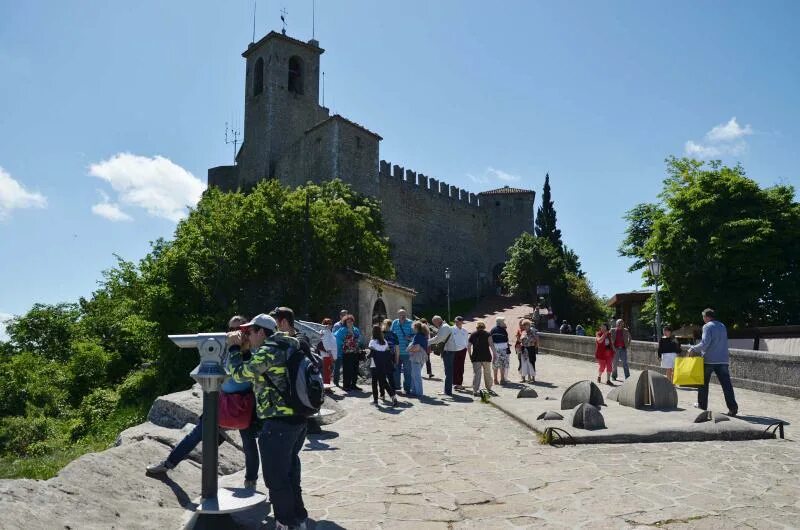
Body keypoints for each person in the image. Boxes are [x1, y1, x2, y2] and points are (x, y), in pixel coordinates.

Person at [146, 315, 261, 491]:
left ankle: (251, 480)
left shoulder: (252, 353)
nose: (236, 333)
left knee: (249, 444)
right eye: (231, 330)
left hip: (243, 405)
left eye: (241, 329)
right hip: (221, 402)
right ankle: (168, 464)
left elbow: (239, 373)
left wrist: (238, 348)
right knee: (195, 434)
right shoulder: (223, 349)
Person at [226, 308, 309, 530]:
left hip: (278, 423)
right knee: (290, 473)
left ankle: (285, 523)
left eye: (250, 332)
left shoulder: (269, 350)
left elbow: (239, 374)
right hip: (297, 420)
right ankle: (299, 518)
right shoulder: (288, 344)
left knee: (276, 478)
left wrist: (234, 347)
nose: (247, 336)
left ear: (262, 332)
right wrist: (246, 349)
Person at [687, 308, 739, 416]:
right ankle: (733, 408)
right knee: (726, 385)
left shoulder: (707, 326)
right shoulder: (722, 326)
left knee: (703, 384)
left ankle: (702, 406)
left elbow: (705, 343)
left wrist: (692, 348)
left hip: (709, 360)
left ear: (706, 317)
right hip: (723, 359)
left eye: (703, 317)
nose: (703, 319)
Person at [368, 324, 399, 406]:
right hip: (383, 364)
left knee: (374, 382)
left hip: (374, 364)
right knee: (384, 382)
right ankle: (393, 397)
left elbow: (371, 352)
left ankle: (375, 400)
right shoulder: (385, 341)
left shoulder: (372, 342)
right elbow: (387, 351)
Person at [428, 315, 456, 395]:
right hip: (449, 351)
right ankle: (447, 390)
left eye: (434, 323)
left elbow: (438, 339)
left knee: (448, 371)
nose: (434, 324)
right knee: (448, 371)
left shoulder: (444, 327)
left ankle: (447, 391)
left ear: (437, 321)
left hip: (448, 351)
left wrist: (427, 342)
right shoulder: (444, 326)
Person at [334, 314, 362, 392]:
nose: (350, 323)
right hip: (346, 353)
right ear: (345, 322)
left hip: (355, 352)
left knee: (355, 369)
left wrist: (359, 342)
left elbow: (360, 338)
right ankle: (346, 386)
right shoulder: (342, 330)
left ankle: (353, 385)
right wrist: (343, 345)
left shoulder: (355, 329)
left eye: (351, 321)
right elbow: (336, 338)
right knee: (347, 370)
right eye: (348, 322)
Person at [468, 321, 496, 396]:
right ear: (484, 327)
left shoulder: (473, 334)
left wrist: (470, 355)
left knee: (477, 374)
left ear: (477, 327)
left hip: (476, 356)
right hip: (486, 356)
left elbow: (468, 346)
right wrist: (495, 355)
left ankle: (475, 390)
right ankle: (489, 388)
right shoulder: (488, 334)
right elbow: (491, 345)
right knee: (487, 373)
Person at [390, 309, 414, 394]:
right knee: (396, 370)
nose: (402, 316)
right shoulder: (395, 323)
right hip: (396, 352)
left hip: (407, 352)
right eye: (400, 315)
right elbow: (391, 334)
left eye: (403, 314)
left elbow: (415, 336)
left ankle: (407, 388)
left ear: (406, 315)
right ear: (398, 315)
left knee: (407, 371)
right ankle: (397, 387)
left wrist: (410, 338)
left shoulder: (411, 323)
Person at [406, 320, 429, 396]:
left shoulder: (418, 336)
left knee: (416, 375)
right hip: (422, 357)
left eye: (413, 328)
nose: (413, 329)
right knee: (415, 374)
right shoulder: (423, 335)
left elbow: (417, 347)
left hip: (417, 357)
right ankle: (414, 391)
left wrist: (409, 349)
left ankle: (418, 393)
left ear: (416, 328)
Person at [381, 319, 400, 399]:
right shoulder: (394, 334)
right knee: (390, 376)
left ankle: (382, 394)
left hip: (381, 357)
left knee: (382, 376)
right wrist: (397, 359)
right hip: (391, 357)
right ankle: (393, 394)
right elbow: (397, 349)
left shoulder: (381, 334)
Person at [450, 316, 470, 391]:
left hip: (462, 350)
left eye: (459, 321)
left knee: (461, 367)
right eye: (456, 321)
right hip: (453, 350)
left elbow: (467, 341)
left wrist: (467, 350)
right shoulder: (451, 329)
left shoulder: (465, 331)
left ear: (462, 322)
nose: (457, 322)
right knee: (454, 367)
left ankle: (459, 383)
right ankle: (454, 383)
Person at [490, 317, 510, 385]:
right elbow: (506, 340)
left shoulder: (492, 329)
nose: (504, 323)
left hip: (495, 349)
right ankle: (502, 379)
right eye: (503, 321)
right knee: (502, 364)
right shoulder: (503, 330)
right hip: (502, 349)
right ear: (500, 322)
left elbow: (490, 339)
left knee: (495, 364)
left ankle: (495, 379)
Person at [318, 318, 338, 386]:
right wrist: (330, 354)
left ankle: (327, 386)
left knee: (328, 371)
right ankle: (326, 387)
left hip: (328, 355)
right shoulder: (325, 331)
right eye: (327, 323)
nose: (329, 325)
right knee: (327, 371)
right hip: (327, 355)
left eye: (330, 323)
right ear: (324, 324)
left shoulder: (328, 331)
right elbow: (326, 344)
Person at [331, 310, 349, 386]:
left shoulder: (348, 325)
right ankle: (336, 382)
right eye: (344, 315)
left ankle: (346, 383)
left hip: (346, 349)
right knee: (337, 367)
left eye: (347, 315)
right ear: (341, 316)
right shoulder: (337, 325)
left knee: (346, 367)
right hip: (338, 349)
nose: (346, 317)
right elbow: (333, 336)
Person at [518, 319, 538, 383]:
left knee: (531, 363)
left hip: (531, 349)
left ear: (529, 325)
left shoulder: (533, 331)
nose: (524, 326)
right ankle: (523, 378)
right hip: (524, 349)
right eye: (524, 325)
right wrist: (519, 340)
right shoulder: (523, 332)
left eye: (526, 325)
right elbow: (521, 341)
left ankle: (533, 378)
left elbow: (536, 339)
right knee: (523, 364)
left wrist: (535, 346)